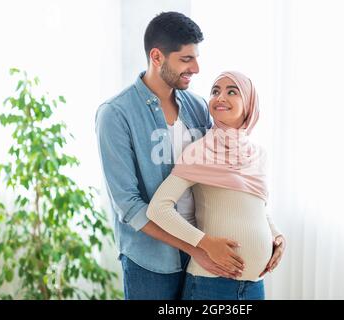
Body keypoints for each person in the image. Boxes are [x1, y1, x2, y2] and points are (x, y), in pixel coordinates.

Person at [95, 12, 243, 300]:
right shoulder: (115, 114)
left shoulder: (199, 106)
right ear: (157, 56)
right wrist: (197, 245)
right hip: (151, 262)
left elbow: (225, 173)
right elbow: (129, 206)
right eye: (186, 59)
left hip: (204, 251)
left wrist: (270, 230)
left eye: (196, 57)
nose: (197, 68)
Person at [147, 71, 286, 300]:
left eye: (232, 91)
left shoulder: (259, 155)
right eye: (215, 91)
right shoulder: (198, 151)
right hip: (209, 284)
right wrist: (205, 243)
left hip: (255, 285)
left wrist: (277, 236)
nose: (220, 97)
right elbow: (158, 209)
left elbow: (258, 208)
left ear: (249, 102)